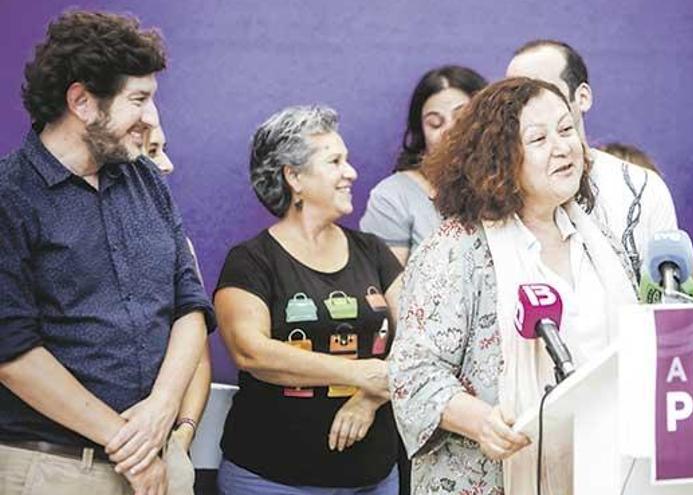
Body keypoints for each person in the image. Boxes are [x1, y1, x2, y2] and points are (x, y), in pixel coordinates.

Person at [389, 77, 639, 494]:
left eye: (566, 129)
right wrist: (481, 421)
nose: (563, 147)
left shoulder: (602, 241)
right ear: (500, 158)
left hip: (600, 470)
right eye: (539, 138)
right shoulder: (457, 248)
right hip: (494, 474)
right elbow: (412, 374)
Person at [0, 10, 213, 495]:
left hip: (160, 461)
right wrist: (126, 442)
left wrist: (162, 412)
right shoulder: (9, 196)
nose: (150, 118)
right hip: (53, 469)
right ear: (82, 101)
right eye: (137, 100)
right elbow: (11, 353)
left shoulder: (145, 181)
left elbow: (189, 303)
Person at [214, 105, 403, 494]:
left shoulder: (374, 252)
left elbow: (423, 338)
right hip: (272, 479)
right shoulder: (252, 260)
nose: (351, 172)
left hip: (374, 476)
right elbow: (251, 352)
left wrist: (369, 398)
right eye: (334, 161)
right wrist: (356, 372)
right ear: (294, 176)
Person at [506, 39, 678, 279]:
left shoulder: (642, 188)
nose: (532, 104)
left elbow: (667, 300)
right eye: (516, 96)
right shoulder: (498, 192)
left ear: (583, 97)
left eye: (545, 90)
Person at [360, 65, 487, 265]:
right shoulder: (393, 196)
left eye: (461, 118)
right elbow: (388, 287)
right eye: (435, 123)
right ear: (421, 133)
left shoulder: (513, 186)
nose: (449, 130)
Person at [140, 118, 212, 456]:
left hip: (166, 450)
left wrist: (183, 435)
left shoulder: (179, 246)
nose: (167, 165)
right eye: (152, 151)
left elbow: (197, 356)